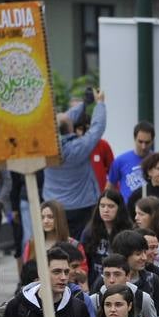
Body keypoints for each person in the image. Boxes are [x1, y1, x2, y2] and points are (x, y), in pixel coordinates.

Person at [45, 92, 108, 236]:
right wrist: (100, 103)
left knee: (58, 244)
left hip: (53, 207)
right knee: (79, 248)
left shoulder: (46, 147)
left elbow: (62, 122)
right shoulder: (78, 147)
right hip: (81, 207)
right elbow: (97, 128)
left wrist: (84, 104)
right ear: (72, 128)